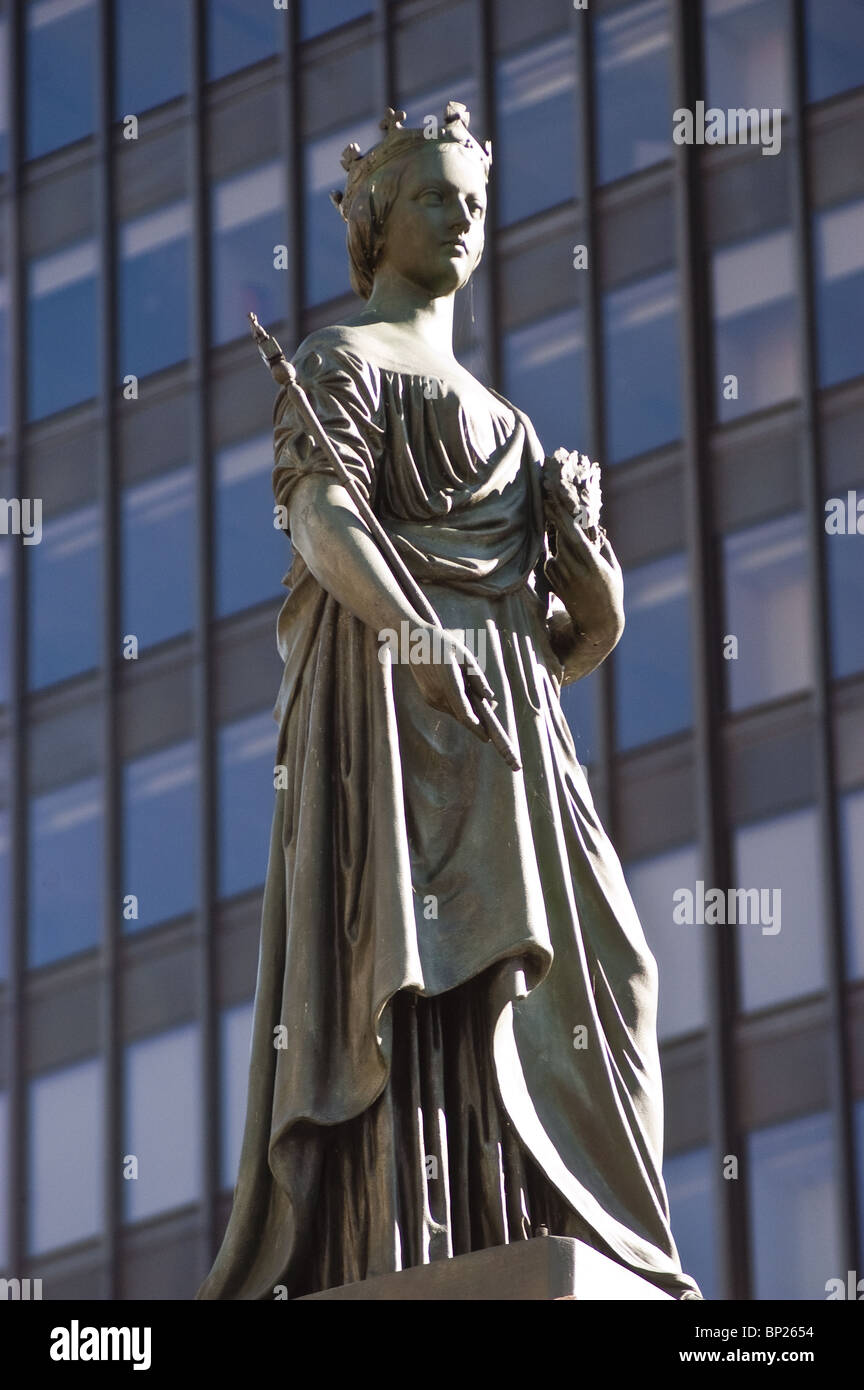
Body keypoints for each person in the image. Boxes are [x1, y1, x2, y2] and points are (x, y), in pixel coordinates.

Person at [196, 102, 702, 1301]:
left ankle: (568, 1218)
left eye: (474, 199)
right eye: (434, 195)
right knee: (429, 967)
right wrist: (417, 629)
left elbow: (563, 644)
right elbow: (322, 515)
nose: (462, 216)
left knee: (615, 969)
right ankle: (431, 1225)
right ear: (376, 220)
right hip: (390, 705)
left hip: (508, 725)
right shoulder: (341, 361)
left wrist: (592, 580)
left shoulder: (517, 429)